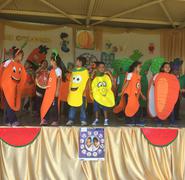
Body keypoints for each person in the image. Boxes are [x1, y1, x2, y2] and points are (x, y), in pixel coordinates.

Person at [114, 61, 146, 126]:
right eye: (139, 67)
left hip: (135, 96)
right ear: (135, 67)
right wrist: (122, 92)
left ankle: (137, 121)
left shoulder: (138, 76)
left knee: (137, 108)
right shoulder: (130, 74)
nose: (141, 68)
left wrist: (142, 95)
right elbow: (126, 84)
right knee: (129, 107)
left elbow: (138, 86)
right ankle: (129, 121)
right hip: (129, 94)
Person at [40, 50, 67, 126]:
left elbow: (59, 80)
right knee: (46, 104)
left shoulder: (58, 70)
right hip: (49, 91)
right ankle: (44, 119)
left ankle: (55, 120)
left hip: (54, 91)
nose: (50, 62)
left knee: (54, 106)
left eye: (51, 60)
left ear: (54, 61)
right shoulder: (52, 70)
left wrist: (57, 91)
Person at [1, 47, 26, 126]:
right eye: (21, 55)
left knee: (9, 104)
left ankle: (7, 121)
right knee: (10, 104)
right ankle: (13, 120)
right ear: (16, 55)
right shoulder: (8, 62)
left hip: (14, 88)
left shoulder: (19, 65)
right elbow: (2, 69)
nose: (21, 57)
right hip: (7, 87)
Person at [66, 56, 89, 126]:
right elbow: (71, 81)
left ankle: (83, 120)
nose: (76, 62)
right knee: (73, 106)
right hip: (73, 92)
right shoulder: (74, 70)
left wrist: (85, 90)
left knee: (82, 107)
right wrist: (70, 90)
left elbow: (86, 80)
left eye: (77, 61)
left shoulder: (85, 71)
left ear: (80, 62)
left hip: (82, 92)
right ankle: (71, 119)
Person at [91, 62, 115, 126]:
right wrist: (93, 72)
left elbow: (112, 82)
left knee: (105, 107)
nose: (101, 68)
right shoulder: (96, 76)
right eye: (100, 67)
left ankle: (106, 119)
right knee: (95, 108)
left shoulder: (106, 76)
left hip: (104, 94)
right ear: (97, 68)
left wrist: (110, 73)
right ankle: (96, 119)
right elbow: (91, 82)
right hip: (97, 95)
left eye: (103, 67)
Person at [156, 62, 179, 126]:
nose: (168, 68)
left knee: (171, 108)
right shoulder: (159, 75)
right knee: (160, 108)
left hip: (170, 96)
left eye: (169, 67)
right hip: (162, 96)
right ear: (162, 68)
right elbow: (155, 84)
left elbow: (175, 86)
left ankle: (172, 122)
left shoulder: (172, 76)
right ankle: (159, 121)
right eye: (166, 67)